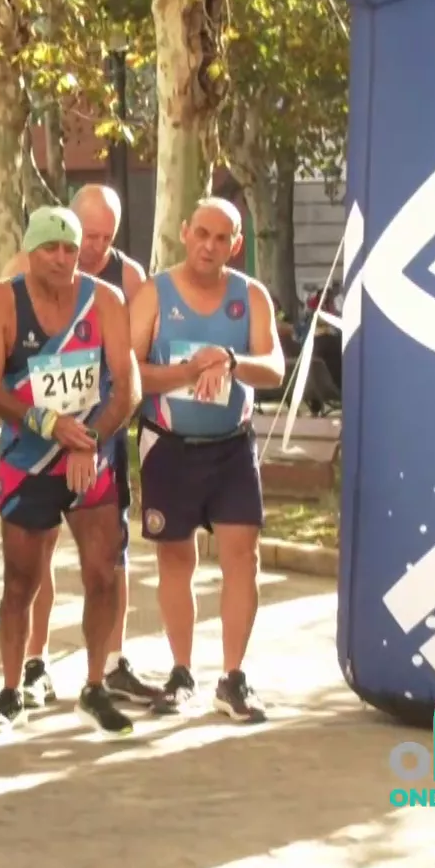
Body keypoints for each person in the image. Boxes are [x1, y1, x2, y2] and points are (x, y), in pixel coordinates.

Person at [0, 208, 142, 735]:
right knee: (20, 580)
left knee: (103, 570)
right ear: (31, 251)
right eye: (52, 249)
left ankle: (93, 686)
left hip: (91, 454)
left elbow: (128, 386)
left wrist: (87, 440)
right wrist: (49, 425)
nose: (64, 259)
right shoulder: (0, 300)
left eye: (71, 249)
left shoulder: (105, 300)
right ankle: (10, 689)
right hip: (29, 458)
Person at [129, 199, 287, 723]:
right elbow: (128, 374)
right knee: (177, 561)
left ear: (235, 244)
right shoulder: (155, 292)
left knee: (243, 556)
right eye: (202, 233)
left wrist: (233, 361)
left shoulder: (251, 296)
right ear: (184, 232)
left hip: (231, 446)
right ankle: (181, 672)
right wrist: (188, 372)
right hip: (168, 446)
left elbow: (274, 369)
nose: (209, 246)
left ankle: (234, 678)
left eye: (222, 238)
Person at [19, 185, 163, 710]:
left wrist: (101, 431)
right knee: (38, 550)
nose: (96, 247)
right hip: (38, 435)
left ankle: (110, 661)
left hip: (101, 429)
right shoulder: (25, 267)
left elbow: (135, 366)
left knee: (108, 555)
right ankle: (35, 663)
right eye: (88, 237)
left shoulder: (126, 279)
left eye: (106, 237)